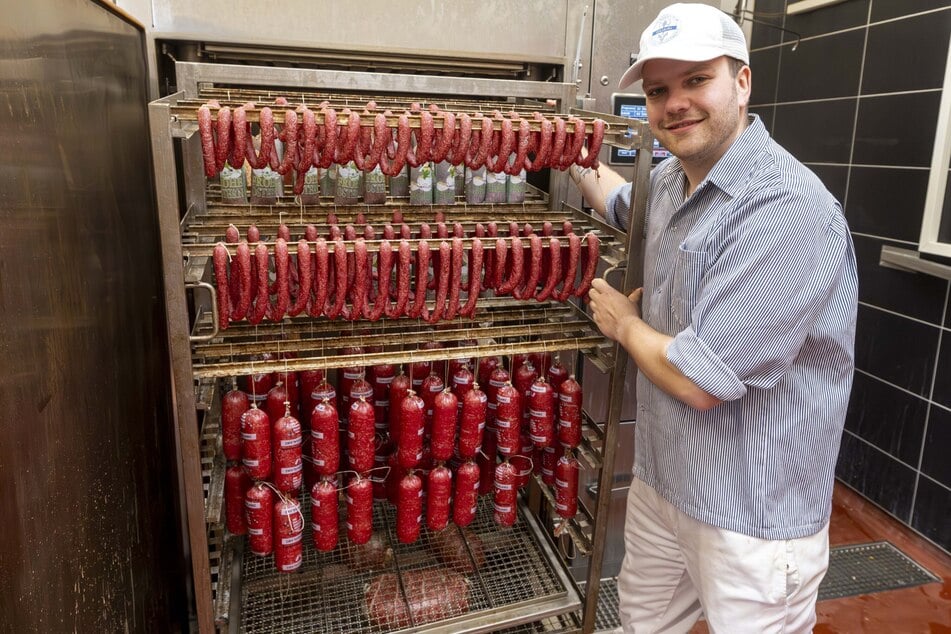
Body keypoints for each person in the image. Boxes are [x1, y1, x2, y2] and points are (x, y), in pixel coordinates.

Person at [576, 4, 858, 633]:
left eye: (696, 80)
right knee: (640, 627)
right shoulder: (677, 182)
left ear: (743, 80)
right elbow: (623, 203)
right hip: (663, 485)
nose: (675, 103)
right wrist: (559, 149)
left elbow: (702, 380)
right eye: (658, 90)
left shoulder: (787, 210)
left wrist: (623, 322)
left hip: (751, 518)